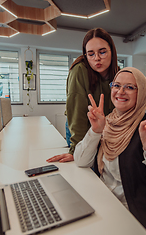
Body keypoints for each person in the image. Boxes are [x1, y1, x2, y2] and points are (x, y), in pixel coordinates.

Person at [74, 67, 146, 235]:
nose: (120, 92)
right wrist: (95, 131)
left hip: (137, 213)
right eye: (116, 85)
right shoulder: (106, 121)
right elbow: (80, 161)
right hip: (105, 203)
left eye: (130, 87)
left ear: (142, 93)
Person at [47, 28, 119, 163]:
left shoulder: (118, 73)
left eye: (102, 52)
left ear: (112, 51)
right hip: (81, 128)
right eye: (91, 54)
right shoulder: (79, 70)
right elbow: (77, 113)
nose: (97, 58)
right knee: (85, 167)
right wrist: (76, 150)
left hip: (105, 129)